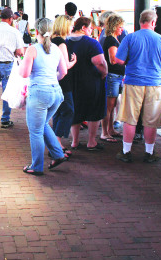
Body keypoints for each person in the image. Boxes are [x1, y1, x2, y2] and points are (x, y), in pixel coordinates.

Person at [115, 9, 161, 163]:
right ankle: (149, 153)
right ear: (153, 22)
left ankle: (126, 152)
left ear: (140, 22)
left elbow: (119, 60)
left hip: (133, 83)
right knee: (151, 121)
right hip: (154, 84)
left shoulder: (130, 38)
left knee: (130, 119)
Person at [19, 18, 71, 175]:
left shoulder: (32, 49)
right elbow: (63, 72)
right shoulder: (56, 48)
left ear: (36, 31)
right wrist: (51, 78)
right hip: (56, 93)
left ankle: (36, 166)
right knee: (42, 125)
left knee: (35, 131)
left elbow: (24, 74)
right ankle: (58, 154)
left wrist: (21, 63)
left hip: (39, 93)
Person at [67, 17, 107, 151]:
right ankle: (91, 142)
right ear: (83, 28)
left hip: (71, 81)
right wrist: (104, 73)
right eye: (90, 28)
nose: (91, 30)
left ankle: (74, 141)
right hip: (91, 81)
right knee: (94, 110)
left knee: (75, 110)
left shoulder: (65, 41)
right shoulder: (91, 43)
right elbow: (99, 62)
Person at [48, 15, 77, 155]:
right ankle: (57, 141)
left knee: (58, 111)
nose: (72, 28)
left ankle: (55, 142)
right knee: (68, 110)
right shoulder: (61, 43)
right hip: (63, 81)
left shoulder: (51, 40)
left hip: (53, 80)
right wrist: (73, 62)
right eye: (70, 25)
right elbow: (64, 66)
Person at [101, 13, 126, 142]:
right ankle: (105, 132)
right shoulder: (111, 40)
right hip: (112, 76)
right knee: (109, 106)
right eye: (120, 27)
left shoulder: (113, 39)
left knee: (113, 104)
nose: (122, 29)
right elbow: (113, 59)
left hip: (116, 76)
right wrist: (126, 58)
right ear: (115, 26)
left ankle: (110, 129)